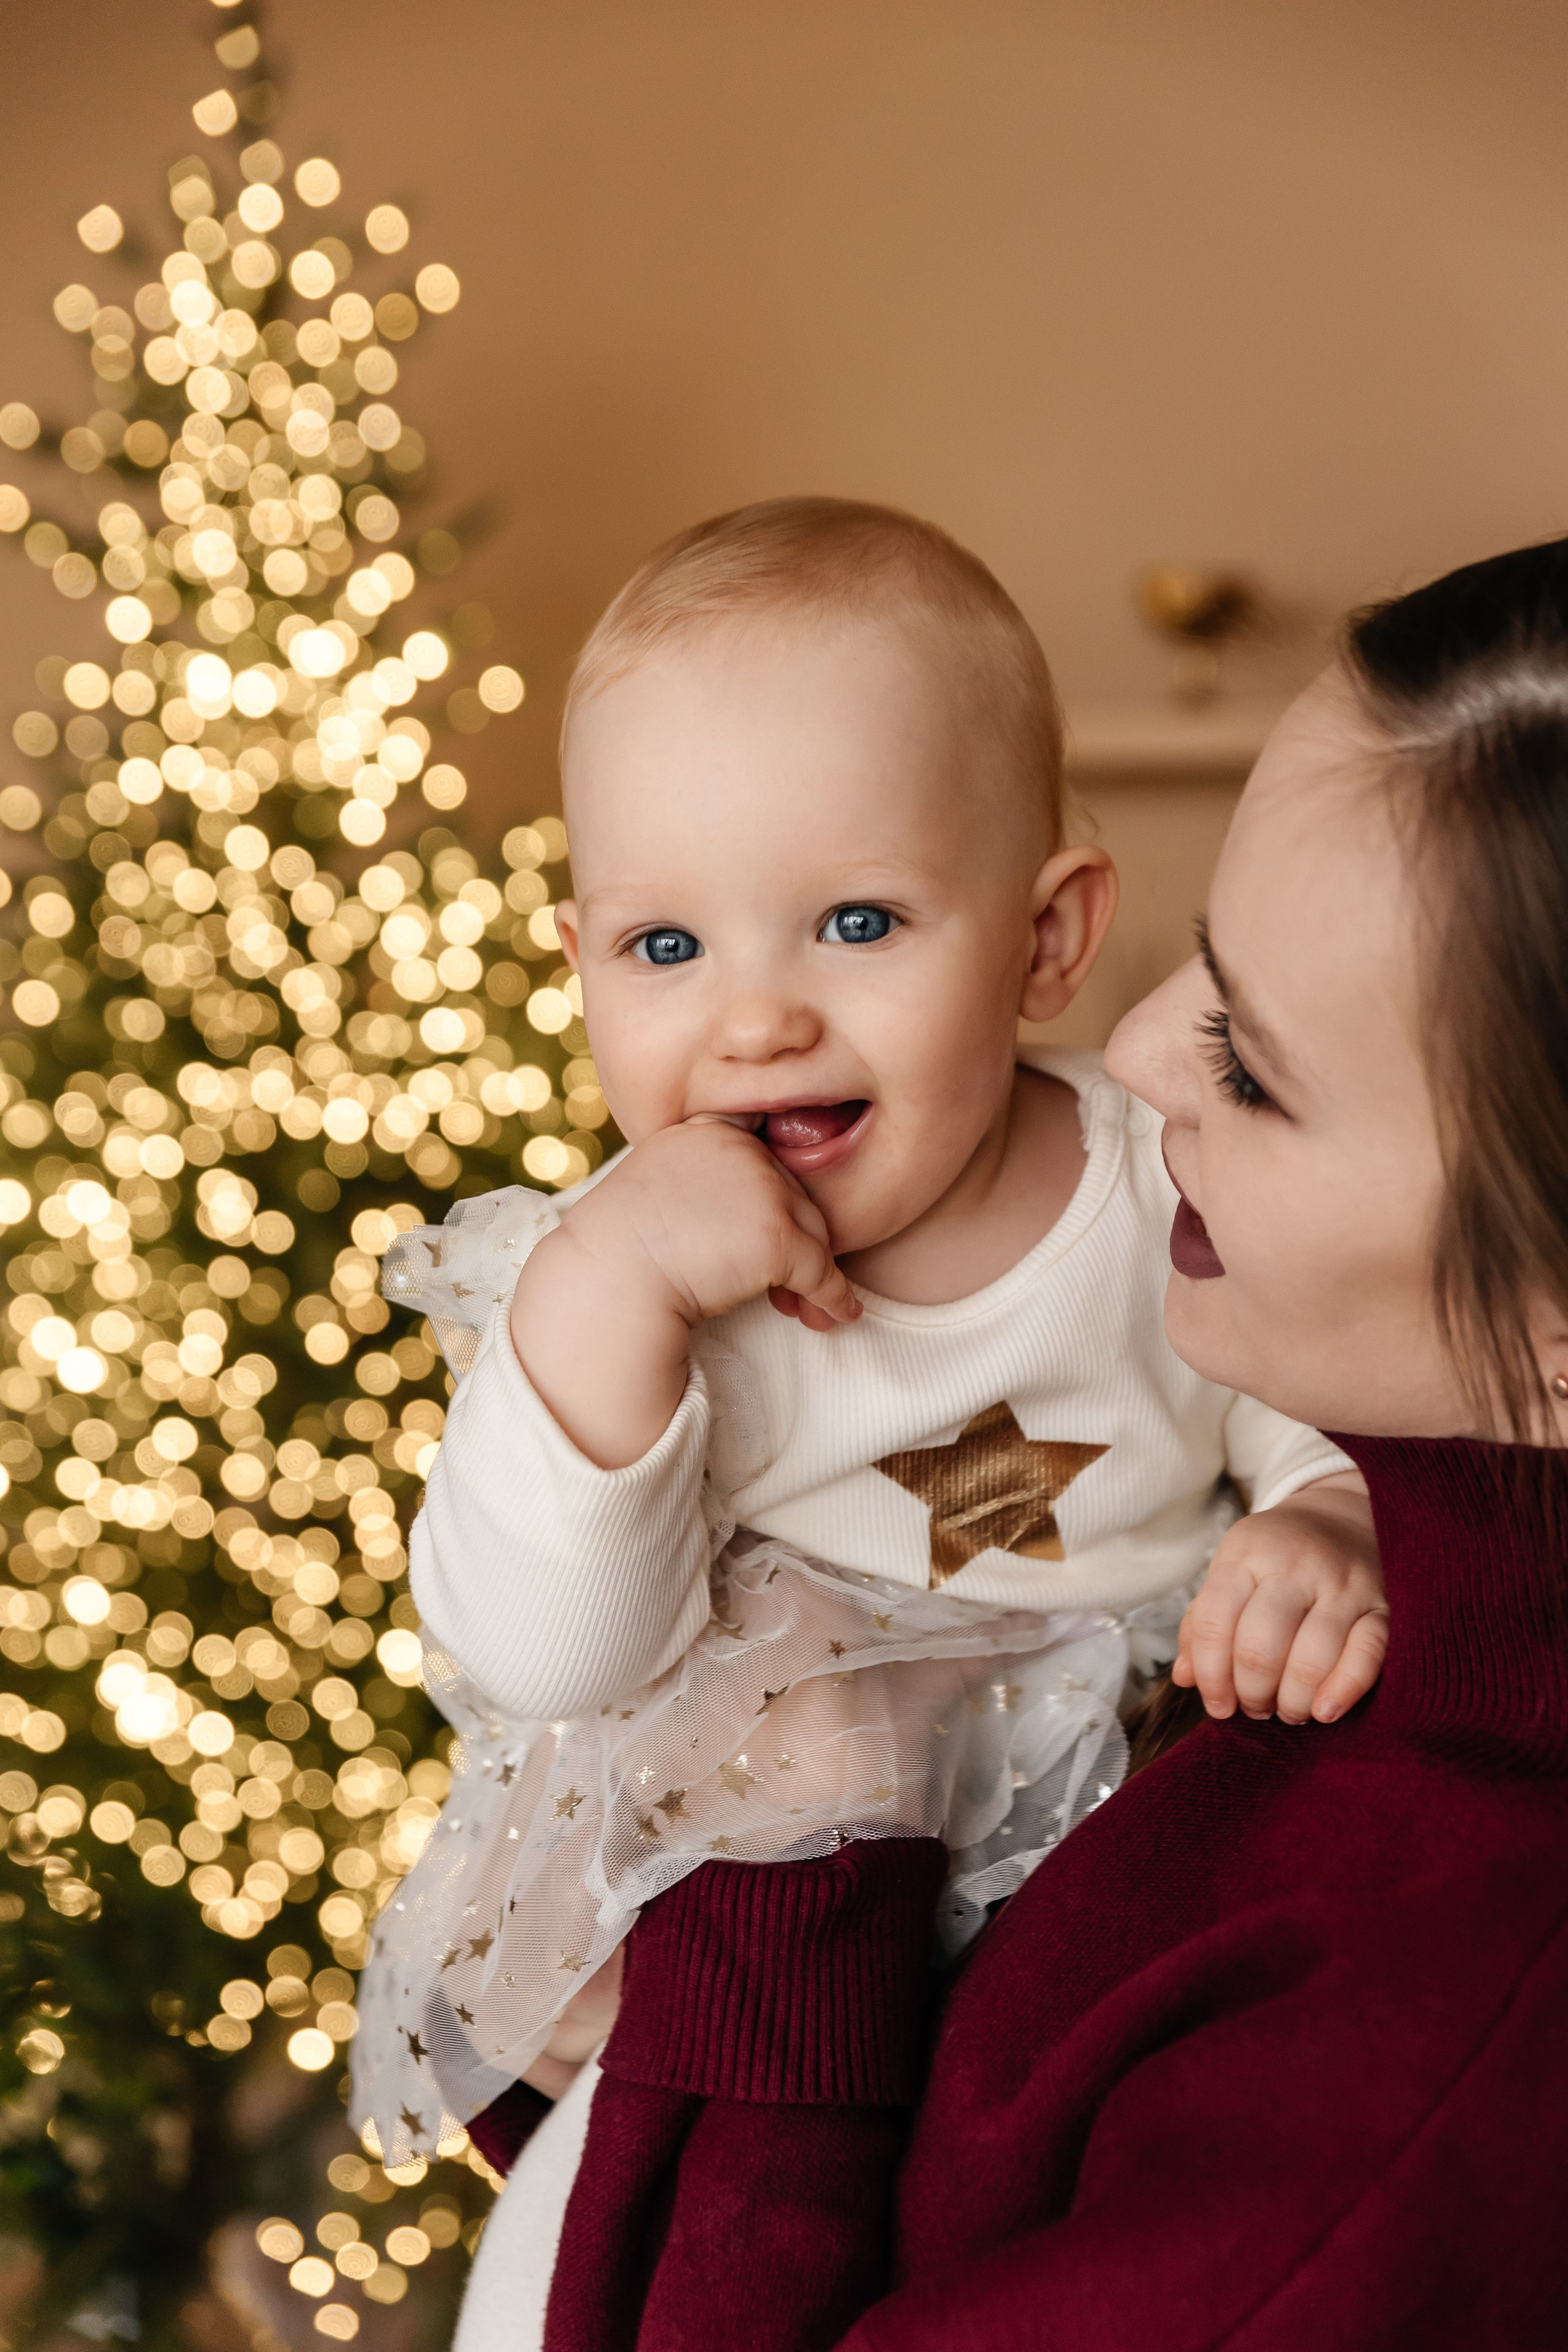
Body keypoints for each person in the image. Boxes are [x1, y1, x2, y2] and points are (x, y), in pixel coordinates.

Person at [524, 533, 1568, 2352]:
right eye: (1197, 977)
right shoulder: (1401, 1586)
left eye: (1252, 1063)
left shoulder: (1418, 2050)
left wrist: (785, 1911)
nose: (1134, 1061)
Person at [352, 499, 1387, 2318]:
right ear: (581, 959)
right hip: (759, 1898)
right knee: (625, 2239)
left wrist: (1323, 1511)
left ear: (1050, 942)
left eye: (854, 921)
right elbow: (541, 1654)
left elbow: (1316, 1370)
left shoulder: (1157, 1176)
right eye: (665, 950)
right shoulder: (611, 1277)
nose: (754, 1022)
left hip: (1109, 1828)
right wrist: (617, 1295)